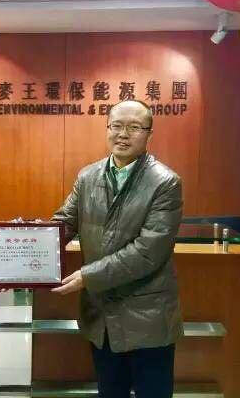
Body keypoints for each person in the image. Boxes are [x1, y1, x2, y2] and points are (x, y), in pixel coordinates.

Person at [51, 99, 183, 398]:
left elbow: (147, 252)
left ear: (149, 134)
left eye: (134, 127)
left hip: (147, 317)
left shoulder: (166, 183)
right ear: (107, 128)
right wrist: (26, 244)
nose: (123, 134)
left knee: (153, 393)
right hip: (102, 315)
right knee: (110, 391)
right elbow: (64, 223)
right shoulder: (88, 176)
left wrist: (87, 276)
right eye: (117, 126)